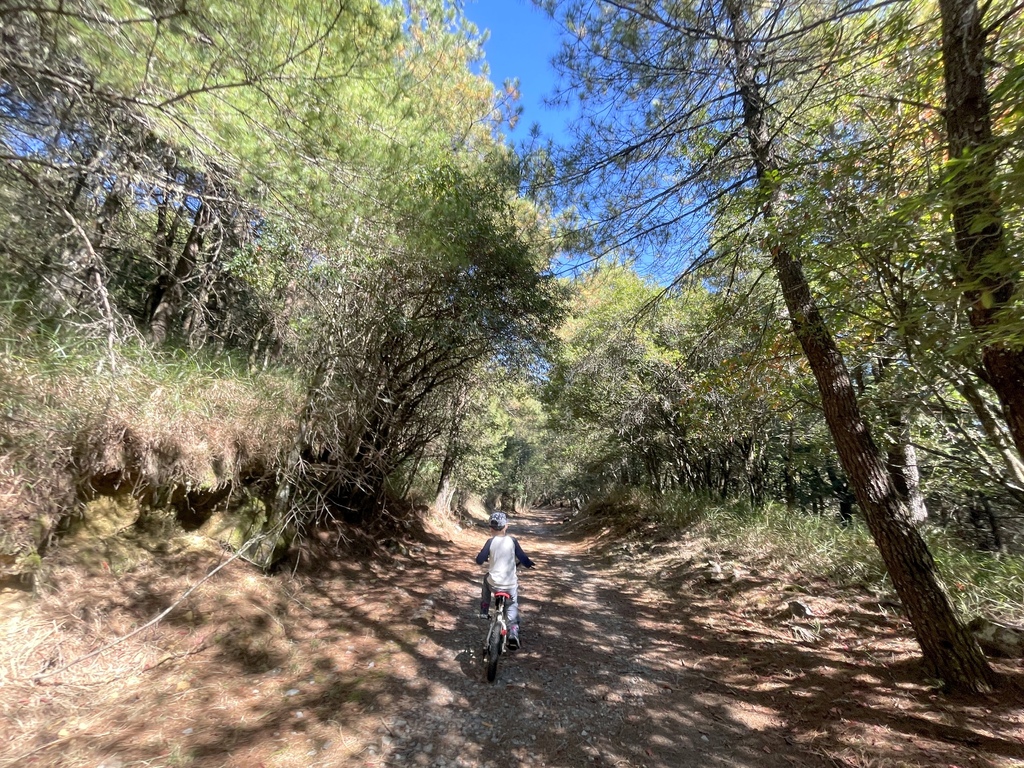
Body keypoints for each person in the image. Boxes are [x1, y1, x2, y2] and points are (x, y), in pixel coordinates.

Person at [476, 511, 535, 650]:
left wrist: (485, 558)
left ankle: (484, 609)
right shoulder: (512, 541)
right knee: (512, 605)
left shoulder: (490, 542)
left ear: (490, 528)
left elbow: (479, 560)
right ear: (506, 526)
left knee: (486, 579)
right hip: (509, 585)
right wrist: (529, 564)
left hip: (494, 584)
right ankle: (513, 630)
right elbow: (523, 558)